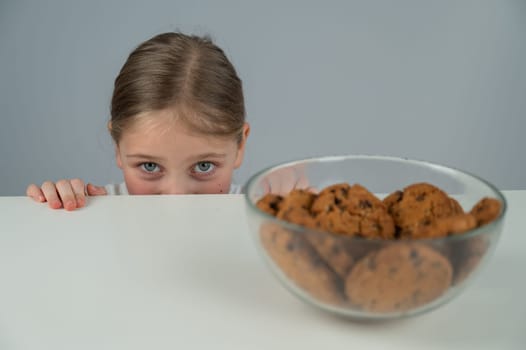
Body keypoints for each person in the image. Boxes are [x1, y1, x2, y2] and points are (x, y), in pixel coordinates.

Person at [26, 32, 250, 211]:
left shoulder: (263, 214)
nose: (176, 198)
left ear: (240, 146)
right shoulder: (97, 209)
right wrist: (59, 206)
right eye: (150, 166)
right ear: (117, 147)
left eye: (204, 166)